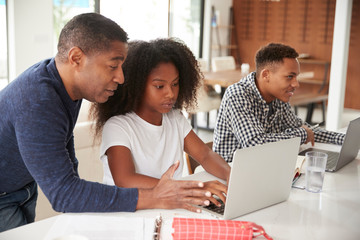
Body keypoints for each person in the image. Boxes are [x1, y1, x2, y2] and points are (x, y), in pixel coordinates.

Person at [0, 13, 212, 232]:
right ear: (76, 58)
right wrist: (154, 197)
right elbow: (64, 195)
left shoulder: (61, 84)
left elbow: (66, 157)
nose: (121, 78)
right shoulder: (38, 102)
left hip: (20, 187)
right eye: (113, 66)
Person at [90, 38, 231, 207]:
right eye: (159, 86)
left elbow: (205, 155)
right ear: (137, 86)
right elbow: (125, 179)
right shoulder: (118, 127)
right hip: (126, 213)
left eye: (175, 84)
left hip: (168, 208)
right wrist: (190, 189)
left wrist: (231, 175)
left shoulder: (175, 119)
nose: (170, 94)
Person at [213, 43, 345, 162]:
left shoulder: (278, 96)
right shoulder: (238, 94)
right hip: (231, 172)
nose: (296, 84)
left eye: (296, 77)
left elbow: (303, 128)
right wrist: (302, 134)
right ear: (266, 75)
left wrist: (344, 139)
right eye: (289, 76)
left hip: (265, 164)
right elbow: (254, 144)